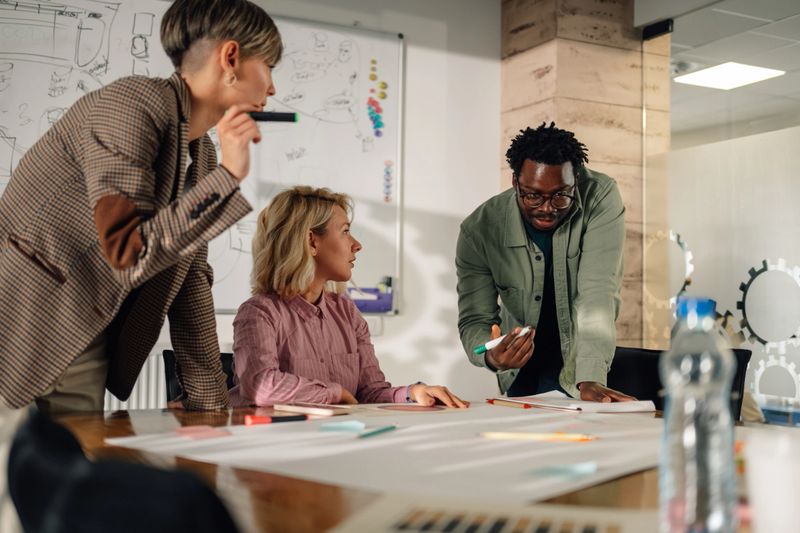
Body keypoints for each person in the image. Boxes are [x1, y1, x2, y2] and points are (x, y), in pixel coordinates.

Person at [0, 0, 282, 413]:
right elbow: (126, 255)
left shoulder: (200, 152)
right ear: (232, 57)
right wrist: (230, 175)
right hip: (21, 327)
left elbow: (190, 281)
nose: (272, 88)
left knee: (72, 474)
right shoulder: (133, 105)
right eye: (269, 66)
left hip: (87, 341)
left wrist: (212, 404)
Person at [229, 186, 469, 408]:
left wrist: (413, 392)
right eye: (345, 232)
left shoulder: (346, 312)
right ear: (312, 241)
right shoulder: (260, 313)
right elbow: (261, 387)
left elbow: (370, 393)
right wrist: (333, 394)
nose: (357, 245)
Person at [456, 122, 635, 402]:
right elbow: (475, 319)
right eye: (533, 195)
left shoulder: (600, 195)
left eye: (561, 195)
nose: (547, 208)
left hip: (581, 367)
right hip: (520, 370)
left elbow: (598, 292)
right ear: (515, 182)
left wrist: (590, 378)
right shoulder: (479, 230)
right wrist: (490, 354)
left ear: (576, 179)